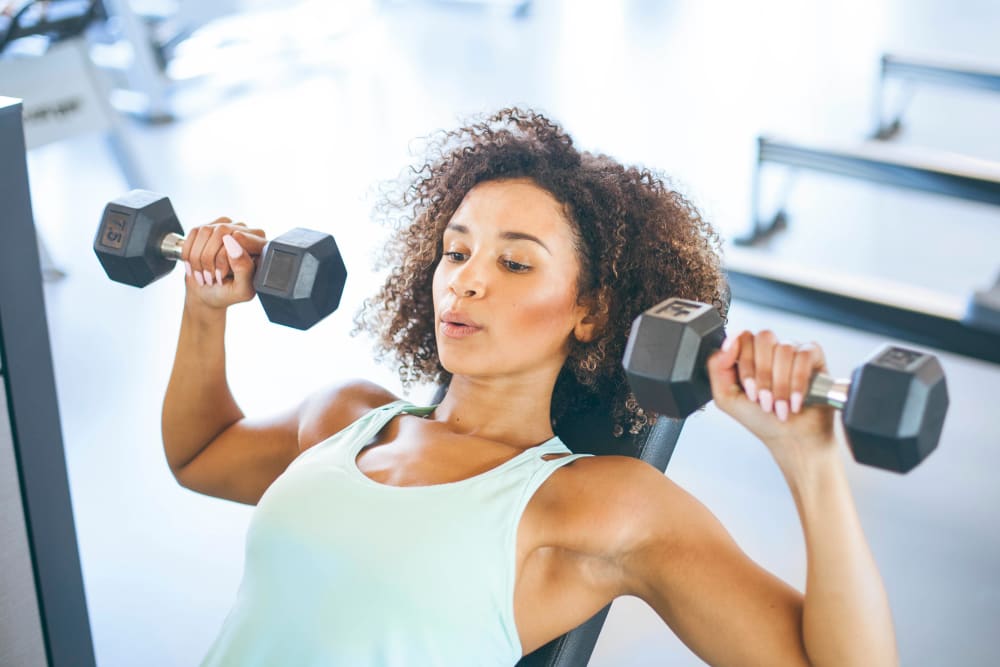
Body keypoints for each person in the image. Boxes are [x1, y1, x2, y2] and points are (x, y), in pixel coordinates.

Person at [163, 108, 898, 666]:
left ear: (591, 311)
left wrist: (811, 459)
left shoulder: (598, 504)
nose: (468, 280)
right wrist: (204, 307)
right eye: (456, 251)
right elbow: (201, 453)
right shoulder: (347, 417)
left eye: (516, 264)